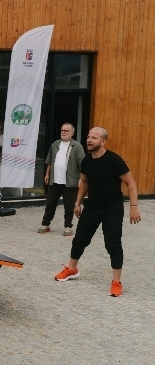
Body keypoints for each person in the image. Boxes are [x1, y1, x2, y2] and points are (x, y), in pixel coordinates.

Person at [54, 127, 141, 297]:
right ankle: (72, 269)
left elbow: (131, 183)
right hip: (92, 206)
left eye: (94, 137)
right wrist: (78, 203)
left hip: (112, 208)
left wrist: (134, 207)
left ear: (103, 141)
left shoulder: (114, 160)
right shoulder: (86, 161)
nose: (89, 140)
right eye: (88, 136)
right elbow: (84, 182)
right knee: (80, 239)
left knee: (113, 243)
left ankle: (116, 282)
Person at [37, 123, 85, 236]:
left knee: (69, 206)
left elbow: (82, 165)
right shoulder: (55, 144)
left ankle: (68, 226)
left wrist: (81, 179)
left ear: (72, 133)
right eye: (62, 130)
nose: (63, 132)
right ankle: (45, 224)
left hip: (70, 182)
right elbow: (49, 161)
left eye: (66, 131)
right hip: (54, 181)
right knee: (50, 204)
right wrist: (47, 174)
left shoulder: (77, 147)